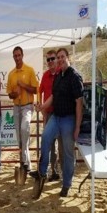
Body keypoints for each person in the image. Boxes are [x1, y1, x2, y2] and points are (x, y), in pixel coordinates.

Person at [31, 48, 84, 197]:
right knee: (46, 138)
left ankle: (66, 184)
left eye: (62, 57)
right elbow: (53, 97)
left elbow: (79, 103)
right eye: (58, 57)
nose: (59, 59)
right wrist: (42, 106)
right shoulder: (58, 76)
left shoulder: (74, 76)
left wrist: (77, 126)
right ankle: (42, 172)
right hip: (56, 116)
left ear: (68, 58)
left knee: (67, 153)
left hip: (68, 118)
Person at [6, 46, 38, 172]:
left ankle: (24, 162)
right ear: (13, 57)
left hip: (27, 106)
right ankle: (26, 165)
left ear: (22, 55)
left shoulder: (29, 70)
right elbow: (10, 94)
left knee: (25, 128)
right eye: (15, 56)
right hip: (16, 106)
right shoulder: (11, 74)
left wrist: (23, 86)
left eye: (19, 55)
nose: (17, 58)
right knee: (20, 139)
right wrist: (16, 93)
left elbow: (35, 90)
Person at [39, 50, 61, 182]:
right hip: (48, 113)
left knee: (62, 144)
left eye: (52, 59)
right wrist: (41, 107)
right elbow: (39, 90)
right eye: (48, 60)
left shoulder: (61, 74)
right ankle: (52, 171)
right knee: (49, 144)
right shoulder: (45, 75)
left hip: (61, 113)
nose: (50, 62)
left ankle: (60, 172)